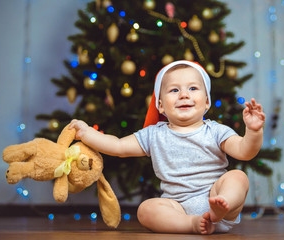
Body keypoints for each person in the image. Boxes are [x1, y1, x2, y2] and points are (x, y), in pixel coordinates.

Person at [69, 60, 265, 234]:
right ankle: (192, 224)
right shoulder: (154, 134)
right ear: (161, 106)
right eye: (174, 90)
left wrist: (254, 131)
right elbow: (119, 146)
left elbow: (244, 151)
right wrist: (88, 133)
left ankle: (223, 205)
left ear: (206, 102)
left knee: (237, 177)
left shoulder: (215, 131)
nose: (184, 95)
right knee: (145, 210)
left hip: (215, 196)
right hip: (177, 209)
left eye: (193, 88)